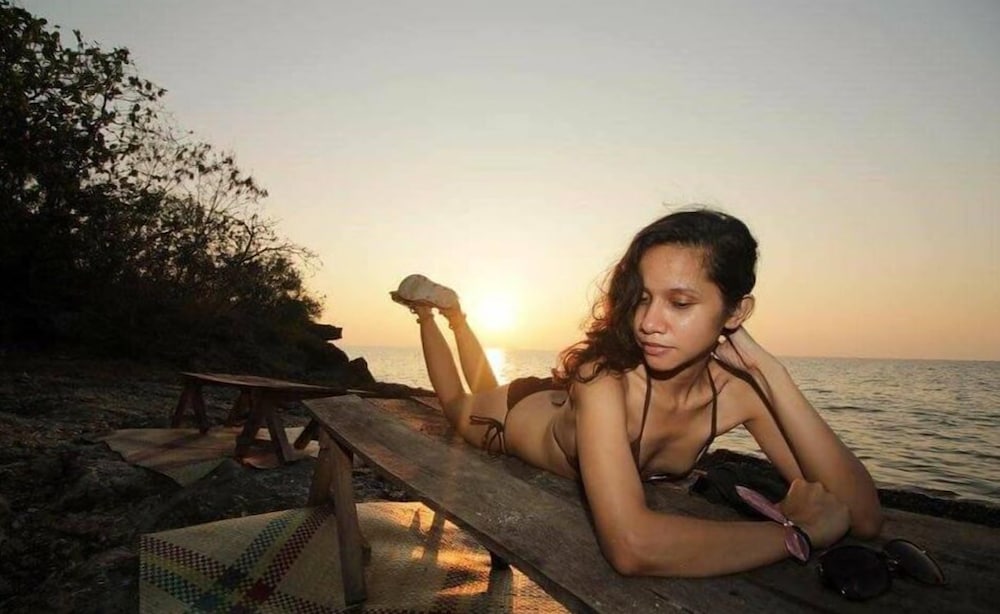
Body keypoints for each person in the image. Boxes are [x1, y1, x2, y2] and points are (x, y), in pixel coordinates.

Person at [390, 208, 883, 578]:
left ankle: (456, 317)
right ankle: (437, 315)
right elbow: (632, 546)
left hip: (565, 403)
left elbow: (861, 517)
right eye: (642, 298)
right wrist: (793, 534)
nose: (648, 322)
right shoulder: (602, 378)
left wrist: (771, 373)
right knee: (459, 404)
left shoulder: (742, 391)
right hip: (514, 415)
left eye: (680, 303)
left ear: (736, 313)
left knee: (482, 383)